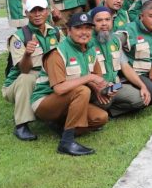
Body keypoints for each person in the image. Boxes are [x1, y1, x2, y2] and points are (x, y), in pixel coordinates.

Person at [30, 13, 109, 156]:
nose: (84, 32)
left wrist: (102, 89)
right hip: (45, 102)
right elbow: (59, 89)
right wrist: (89, 78)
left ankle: (58, 126)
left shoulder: (90, 48)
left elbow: (98, 77)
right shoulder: (57, 53)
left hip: (69, 102)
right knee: (82, 90)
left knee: (100, 118)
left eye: (88, 28)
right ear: (68, 30)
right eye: (78, 28)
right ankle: (66, 142)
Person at [2, 0, 61, 141]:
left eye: (40, 10)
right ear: (26, 13)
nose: (37, 14)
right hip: (21, 81)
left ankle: (54, 117)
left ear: (47, 11)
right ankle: (21, 125)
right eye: (33, 11)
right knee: (26, 78)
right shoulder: (19, 37)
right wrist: (27, 54)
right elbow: (23, 69)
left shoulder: (56, 32)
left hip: (47, 76)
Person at [90, 7, 152, 116]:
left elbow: (125, 66)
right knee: (105, 102)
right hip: (98, 89)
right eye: (99, 20)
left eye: (107, 19)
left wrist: (143, 86)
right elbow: (83, 74)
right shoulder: (87, 43)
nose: (104, 23)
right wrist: (96, 88)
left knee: (141, 99)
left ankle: (111, 111)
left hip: (116, 86)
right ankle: (98, 109)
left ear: (112, 21)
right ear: (92, 23)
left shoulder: (115, 40)